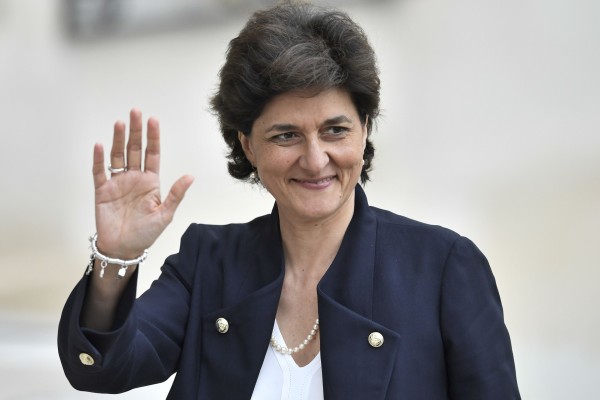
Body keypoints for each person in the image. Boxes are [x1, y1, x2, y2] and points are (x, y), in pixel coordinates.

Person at [58, 2, 520, 399]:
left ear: (364, 131)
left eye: (335, 130)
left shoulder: (442, 268)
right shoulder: (209, 263)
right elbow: (103, 368)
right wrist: (114, 258)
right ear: (248, 146)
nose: (315, 160)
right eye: (286, 135)